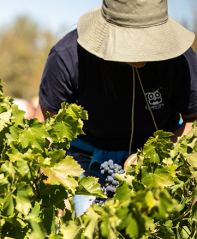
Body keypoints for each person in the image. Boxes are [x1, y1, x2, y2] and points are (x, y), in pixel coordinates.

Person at [36, 0, 197, 217]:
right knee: (87, 221)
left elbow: (193, 119)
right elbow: (44, 132)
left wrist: (153, 157)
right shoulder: (68, 57)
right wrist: (55, 195)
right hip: (85, 158)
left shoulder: (181, 60)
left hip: (156, 163)